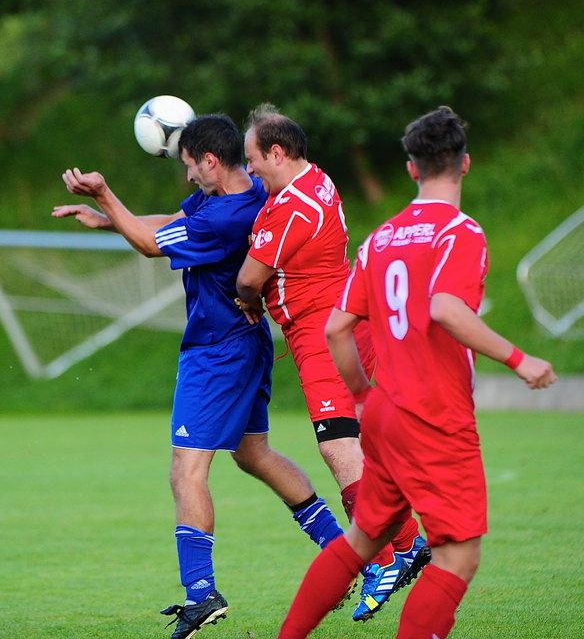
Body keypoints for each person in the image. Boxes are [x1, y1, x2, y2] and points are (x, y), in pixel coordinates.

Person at [52, 114, 346, 639]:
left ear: (210, 160)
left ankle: (200, 591)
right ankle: (343, 552)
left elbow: (149, 243)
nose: (186, 176)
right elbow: (167, 219)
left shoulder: (224, 218)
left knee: (185, 471)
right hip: (245, 344)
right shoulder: (249, 189)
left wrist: (105, 193)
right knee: (253, 453)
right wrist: (105, 219)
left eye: (189, 166)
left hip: (217, 350)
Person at [275, 105, 558, 639]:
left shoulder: (381, 237)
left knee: (362, 540)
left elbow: (337, 327)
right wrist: (522, 360)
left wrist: (362, 394)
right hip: (436, 417)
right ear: (465, 164)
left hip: (384, 410)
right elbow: (447, 310)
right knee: (457, 557)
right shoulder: (459, 231)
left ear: (411, 169)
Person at [236, 103, 429, 622]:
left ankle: (385, 558)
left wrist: (252, 302)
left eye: (252, 158)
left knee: (339, 447)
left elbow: (249, 280)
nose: (249, 169)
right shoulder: (316, 178)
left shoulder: (291, 207)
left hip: (322, 331)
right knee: (360, 442)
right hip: (341, 318)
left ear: (277, 153)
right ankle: (406, 542)